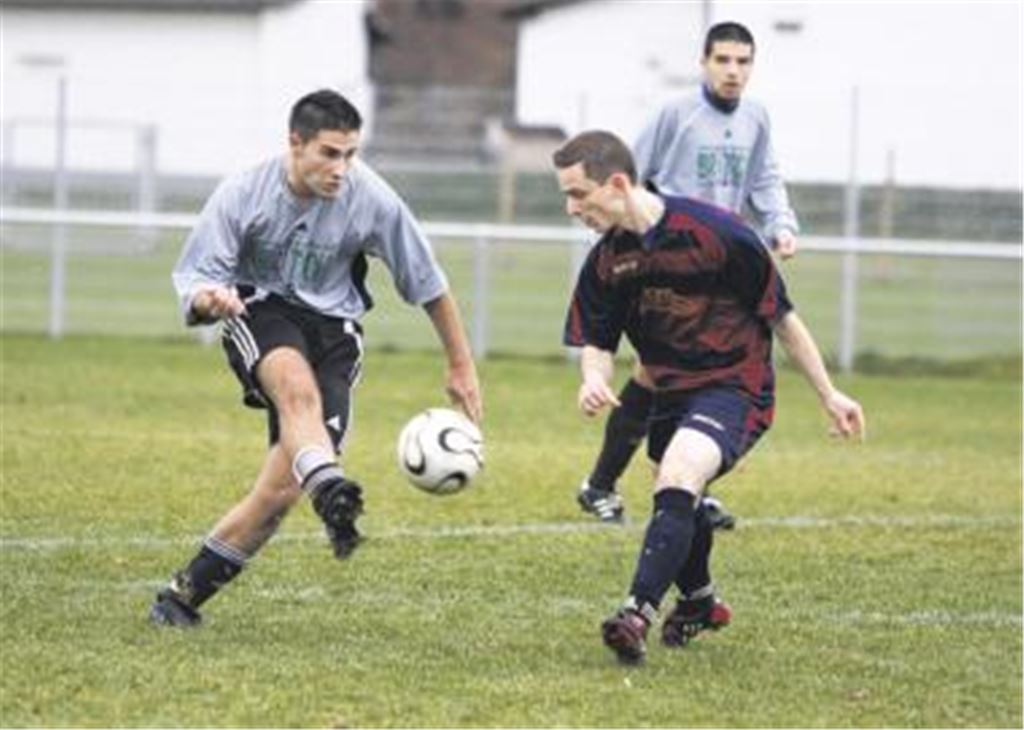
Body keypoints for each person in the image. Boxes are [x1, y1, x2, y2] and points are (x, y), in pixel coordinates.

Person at [149, 89, 483, 627]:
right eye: (329, 153)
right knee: (296, 390)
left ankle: (181, 596)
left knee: (281, 489)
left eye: (351, 154)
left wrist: (461, 366)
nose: (342, 168)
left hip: (336, 331)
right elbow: (198, 279)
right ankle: (327, 481)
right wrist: (210, 300)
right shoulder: (243, 192)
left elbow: (429, 284)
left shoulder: (373, 198)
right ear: (295, 144)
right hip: (260, 309)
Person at [554, 130, 864, 664]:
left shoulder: (716, 234)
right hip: (670, 393)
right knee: (679, 492)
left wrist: (828, 393)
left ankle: (635, 612)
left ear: (619, 184)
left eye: (579, 194)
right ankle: (699, 602)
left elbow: (783, 318)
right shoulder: (607, 261)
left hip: (734, 385)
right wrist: (592, 378)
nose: (570, 208)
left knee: (677, 473)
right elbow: (597, 341)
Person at [576, 21, 801, 527]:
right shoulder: (675, 114)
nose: (733, 71)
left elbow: (765, 177)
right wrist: (615, 239)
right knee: (659, 371)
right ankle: (612, 484)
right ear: (703, 62)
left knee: (692, 373)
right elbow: (628, 177)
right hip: (667, 263)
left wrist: (780, 224)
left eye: (743, 62)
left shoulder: (756, 117)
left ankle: (669, 482)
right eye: (723, 60)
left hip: (723, 272)